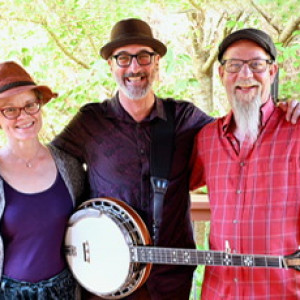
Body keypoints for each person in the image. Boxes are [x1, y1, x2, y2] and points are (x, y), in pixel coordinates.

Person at [53, 19, 300, 299]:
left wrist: (289, 106)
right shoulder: (90, 121)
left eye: (144, 56)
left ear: (156, 63)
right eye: (123, 58)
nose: (134, 67)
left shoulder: (187, 120)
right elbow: (48, 168)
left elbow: (244, 131)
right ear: (111, 65)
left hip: (170, 281)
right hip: (108, 280)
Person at [189, 28, 300, 299]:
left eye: (256, 65)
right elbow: (174, 186)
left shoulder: (297, 130)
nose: (245, 75)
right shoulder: (206, 139)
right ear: (221, 74)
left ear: (272, 72)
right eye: (234, 65)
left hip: (282, 292)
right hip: (219, 291)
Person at [0, 61, 86, 299]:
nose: (23, 116)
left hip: (64, 290)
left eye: (30, 105)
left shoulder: (70, 167)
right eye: (10, 109)